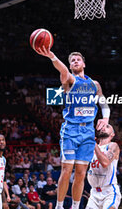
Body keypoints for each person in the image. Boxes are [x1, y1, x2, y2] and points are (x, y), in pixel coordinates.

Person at [36, 47, 110, 209]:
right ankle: (60, 206)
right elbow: (61, 69)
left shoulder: (94, 84)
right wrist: (52, 56)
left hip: (88, 132)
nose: (75, 62)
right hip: (71, 130)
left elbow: (104, 103)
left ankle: (76, 207)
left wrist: (105, 118)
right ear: (70, 66)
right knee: (66, 169)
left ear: (84, 63)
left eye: (78, 59)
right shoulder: (69, 79)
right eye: (72, 61)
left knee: (81, 173)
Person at [86, 123, 121, 209]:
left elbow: (105, 163)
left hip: (109, 191)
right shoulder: (92, 147)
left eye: (107, 126)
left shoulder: (113, 146)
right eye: (102, 127)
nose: (103, 128)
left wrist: (94, 144)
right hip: (94, 192)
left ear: (112, 134)